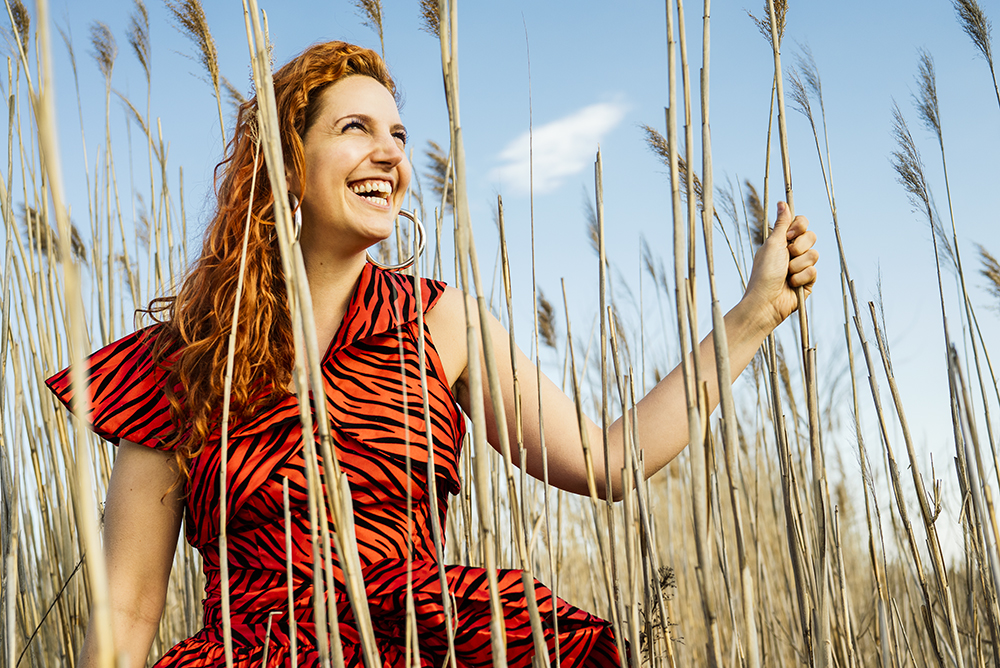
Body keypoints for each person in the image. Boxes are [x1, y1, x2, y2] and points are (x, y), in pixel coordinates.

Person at [47, 41, 817, 668]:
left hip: (430, 647)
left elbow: (611, 461)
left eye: (399, 136)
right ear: (287, 162)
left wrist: (752, 316)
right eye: (356, 129)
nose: (390, 155)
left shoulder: (441, 323)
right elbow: (126, 606)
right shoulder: (182, 361)